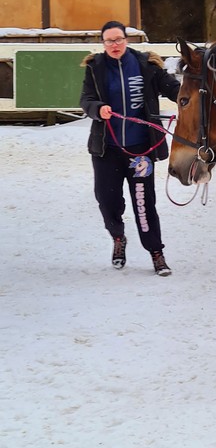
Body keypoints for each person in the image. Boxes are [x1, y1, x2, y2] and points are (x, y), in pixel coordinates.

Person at [80, 21, 181, 274]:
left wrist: (192, 95)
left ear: (126, 40)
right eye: (109, 41)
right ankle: (118, 238)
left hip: (140, 152)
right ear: (103, 44)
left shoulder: (146, 65)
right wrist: (97, 109)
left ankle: (156, 253)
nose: (114, 45)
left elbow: (175, 90)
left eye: (118, 39)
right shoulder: (95, 67)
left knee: (144, 204)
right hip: (107, 150)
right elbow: (86, 99)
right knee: (107, 201)